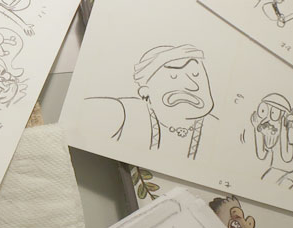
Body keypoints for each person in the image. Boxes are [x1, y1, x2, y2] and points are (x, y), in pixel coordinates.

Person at [83, 44, 215, 159]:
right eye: (173, 77)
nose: (192, 86)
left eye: (196, 75)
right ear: (144, 91)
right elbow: (78, 116)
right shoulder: (124, 113)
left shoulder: (216, 128)